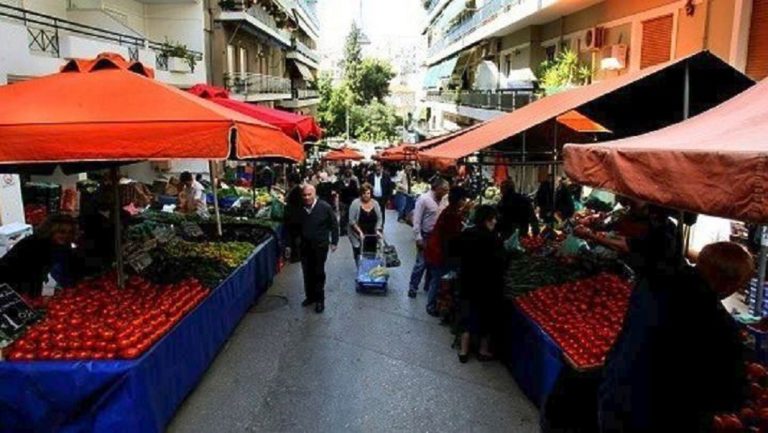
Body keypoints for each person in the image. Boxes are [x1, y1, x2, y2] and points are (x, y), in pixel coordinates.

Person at [599, 242, 752, 432]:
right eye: (739, 284)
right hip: (664, 418)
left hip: (616, 394)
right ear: (728, 283)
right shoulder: (720, 325)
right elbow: (728, 395)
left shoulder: (652, 282)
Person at [456, 205, 505, 363]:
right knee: (485, 317)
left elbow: (456, 253)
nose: (495, 221)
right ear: (487, 220)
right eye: (493, 218)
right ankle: (482, 350)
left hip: (468, 282)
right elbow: (500, 262)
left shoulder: (467, 233)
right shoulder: (494, 239)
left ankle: (463, 350)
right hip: (487, 285)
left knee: (467, 315)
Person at [0, 215, 78, 298]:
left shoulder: (63, 245)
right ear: (50, 231)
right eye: (62, 232)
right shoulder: (35, 244)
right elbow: (32, 274)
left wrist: (69, 286)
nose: (66, 235)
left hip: (28, 277)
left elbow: (64, 266)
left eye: (70, 232)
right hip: (11, 276)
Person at [424, 186, 468, 316]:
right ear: (458, 200)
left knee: (437, 279)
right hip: (439, 251)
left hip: (438, 249)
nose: (465, 201)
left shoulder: (451, 211)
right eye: (463, 199)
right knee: (437, 279)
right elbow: (449, 236)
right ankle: (431, 306)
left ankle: (436, 304)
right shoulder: (451, 214)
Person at [298, 185, 339, 313]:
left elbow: (334, 225)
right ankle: (310, 297)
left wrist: (334, 242)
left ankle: (320, 300)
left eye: (309, 195)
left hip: (320, 246)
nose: (306, 197)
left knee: (318, 272)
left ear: (314, 194)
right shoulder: (300, 208)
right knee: (307, 271)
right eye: (304, 195)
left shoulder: (324, 207)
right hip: (305, 246)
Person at [408, 177, 450, 299]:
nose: (446, 192)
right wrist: (418, 237)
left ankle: (428, 286)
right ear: (437, 188)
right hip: (425, 235)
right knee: (421, 263)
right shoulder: (424, 199)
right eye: (444, 190)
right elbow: (417, 220)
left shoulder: (444, 200)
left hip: (437, 236)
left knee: (434, 263)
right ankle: (413, 287)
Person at [348, 183, 383, 267]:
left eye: (368, 193)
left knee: (371, 252)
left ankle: (370, 268)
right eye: (364, 193)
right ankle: (360, 270)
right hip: (357, 233)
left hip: (372, 233)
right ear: (361, 194)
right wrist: (360, 232)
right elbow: (351, 221)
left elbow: (379, 218)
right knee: (358, 253)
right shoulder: (355, 203)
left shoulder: (375, 203)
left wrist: (377, 229)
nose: (366, 195)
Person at [284, 172, 304, 263]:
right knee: (295, 237)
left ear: (292, 181)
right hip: (295, 217)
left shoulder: (296, 190)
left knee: (295, 237)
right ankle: (296, 255)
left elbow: (295, 205)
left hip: (295, 218)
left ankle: (296, 256)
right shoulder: (296, 189)